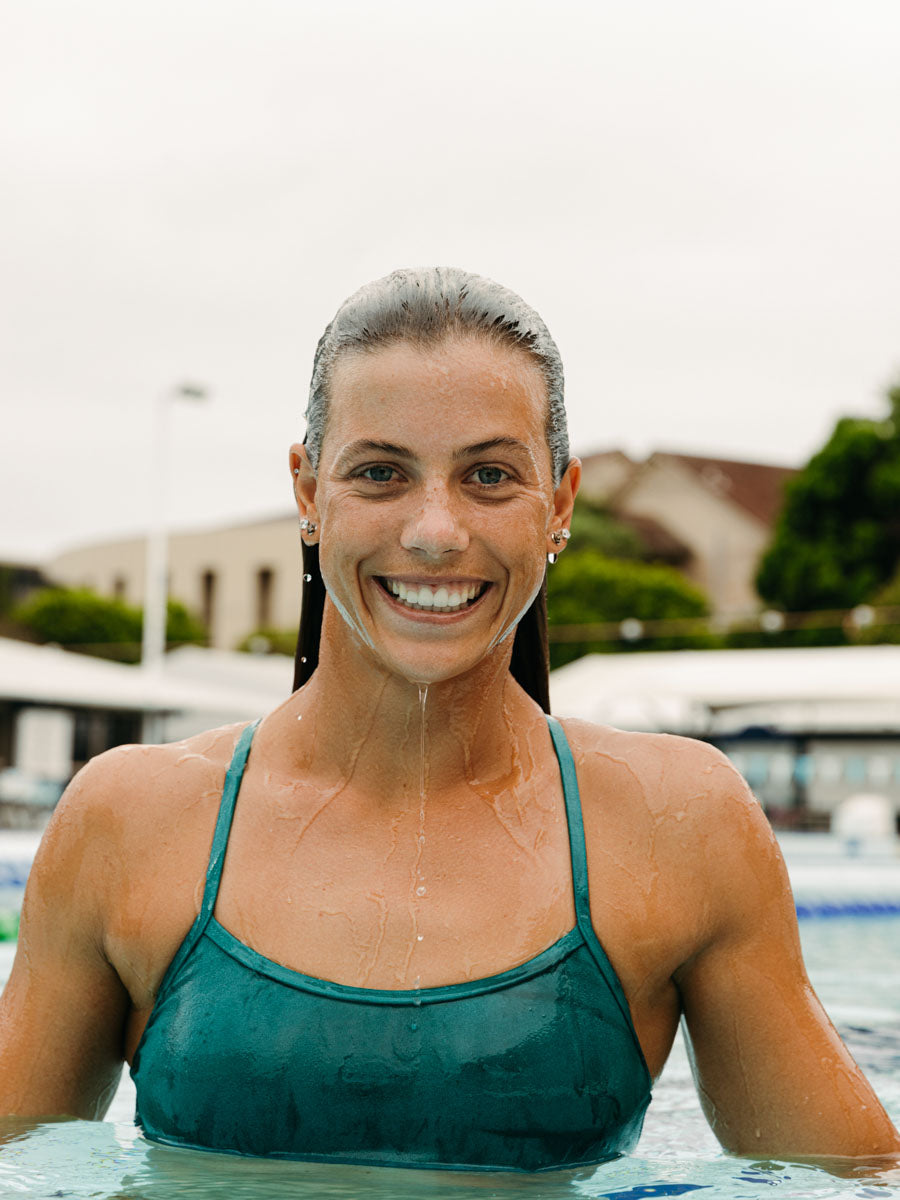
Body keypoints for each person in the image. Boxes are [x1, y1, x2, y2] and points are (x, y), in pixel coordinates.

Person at [0, 267, 897, 1172]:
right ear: (309, 495)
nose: (435, 530)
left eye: (490, 476)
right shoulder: (130, 824)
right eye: (382, 473)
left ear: (561, 503)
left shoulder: (678, 826)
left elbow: (856, 1184)